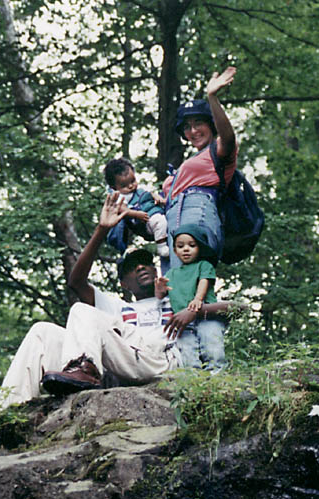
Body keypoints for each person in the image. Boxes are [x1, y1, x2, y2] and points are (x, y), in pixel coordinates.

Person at [0, 195, 229, 411]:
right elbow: (76, 281)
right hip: (118, 363)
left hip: (159, 360)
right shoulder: (116, 308)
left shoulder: (175, 295)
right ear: (124, 284)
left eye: (145, 263)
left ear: (156, 270)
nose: (140, 268)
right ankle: (5, 413)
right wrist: (102, 230)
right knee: (42, 331)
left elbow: (233, 308)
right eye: (131, 268)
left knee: (82, 311)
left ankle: (84, 370)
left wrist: (193, 311)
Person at [161, 66, 237, 274]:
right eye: (187, 126)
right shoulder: (188, 163)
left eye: (199, 123)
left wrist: (212, 98)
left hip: (197, 210)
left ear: (211, 124)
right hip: (173, 219)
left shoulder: (218, 150)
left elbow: (229, 137)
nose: (193, 131)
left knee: (192, 282)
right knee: (177, 289)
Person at [156, 225, 226, 370]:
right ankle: (194, 380)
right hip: (183, 322)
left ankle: (217, 375)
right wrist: (159, 289)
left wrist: (198, 299)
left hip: (206, 316)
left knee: (212, 344)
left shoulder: (204, 265)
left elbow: (204, 281)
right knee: (187, 351)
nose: (186, 249)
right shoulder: (171, 274)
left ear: (199, 247)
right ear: (174, 251)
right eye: (180, 246)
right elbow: (160, 295)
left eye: (192, 245)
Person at [104, 157, 169, 259]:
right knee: (159, 221)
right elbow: (122, 209)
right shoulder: (121, 197)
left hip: (155, 211)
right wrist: (136, 214)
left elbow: (150, 194)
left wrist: (157, 197)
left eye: (133, 181)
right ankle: (161, 246)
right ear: (114, 187)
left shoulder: (139, 190)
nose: (131, 186)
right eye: (124, 185)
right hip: (145, 220)